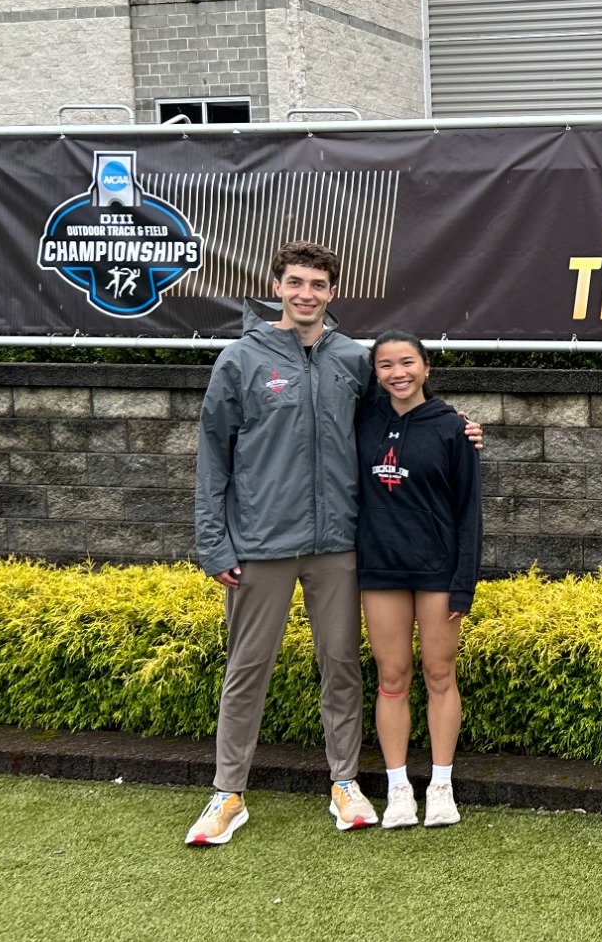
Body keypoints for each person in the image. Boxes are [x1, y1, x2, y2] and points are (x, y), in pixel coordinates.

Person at [187, 242, 480, 846]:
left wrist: (461, 427)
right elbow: (213, 456)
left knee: (342, 667)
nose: (305, 294)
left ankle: (344, 781)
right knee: (246, 670)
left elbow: (405, 409)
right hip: (261, 544)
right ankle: (227, 793)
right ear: (277, 285)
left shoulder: (352, 359)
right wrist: (214, 543)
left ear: (332, 292)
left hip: (339, 544)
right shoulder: (239, 360)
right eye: (295, 282)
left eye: (317, 285)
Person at [357, 331, 482, 829]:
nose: (397, 373)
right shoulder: (362, 420)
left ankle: (442, 785)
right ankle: (398, 789)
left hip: (437, 570)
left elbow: (469, 512)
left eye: (407, 362)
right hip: (381, 567)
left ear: (426, 367)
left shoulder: (454, 428)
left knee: (439, 674)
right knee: (392, 678)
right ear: (376, 374)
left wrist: (463, 583)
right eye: (385, 365)